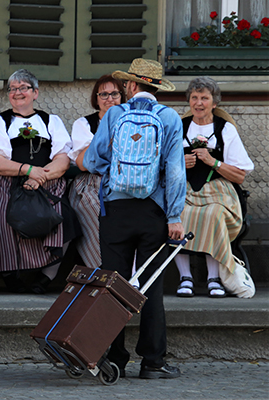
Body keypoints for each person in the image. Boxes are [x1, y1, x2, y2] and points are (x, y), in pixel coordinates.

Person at [83, 58, 186, 379]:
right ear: (155, 88)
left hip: (115, 211)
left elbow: (91, 159)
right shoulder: (169, 117)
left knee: (113, 284)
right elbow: (175, 171)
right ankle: (153, 361)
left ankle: (115, 358)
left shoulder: (114, 114)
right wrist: (174, 215)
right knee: (151, 287)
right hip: (153, 213)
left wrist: (115, 171)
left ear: (130, 85)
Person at [0, 69, 77, 294]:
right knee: (0, 212)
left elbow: (62, 159)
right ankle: (10, 276)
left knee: (67, 218)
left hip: (46, 183)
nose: (17, 92)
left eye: (23, 87)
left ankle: (46, 277)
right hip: (7, 182)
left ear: (35, 92)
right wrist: (27, 171)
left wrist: (40, 177)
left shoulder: (51, 121)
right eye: (12, 89)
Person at [174, 77, 254, 298]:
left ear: (215, 102)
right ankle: (185, 277)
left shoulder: (225, 129)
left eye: (204, 98)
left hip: (219, 192)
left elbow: (239, 175)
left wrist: (213, 162)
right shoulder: (178, 127)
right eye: (194, 98)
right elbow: (162, 166)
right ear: (189, 101)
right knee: (176, 213)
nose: (199, 103)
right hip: (185, 190)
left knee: (213, 214)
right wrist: (181, 163)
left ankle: (214, 278)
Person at [68, 74, 126, 269]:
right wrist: (105, 133)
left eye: (114, 94)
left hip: (123, 181)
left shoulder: (131, 122)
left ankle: (129, 270)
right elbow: (83, 163)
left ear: (122, 96)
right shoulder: (84, 124)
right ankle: (103, 267)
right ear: (96, 98)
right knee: (96, 212)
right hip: (91, 183)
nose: (109, 99)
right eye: (104, 94)